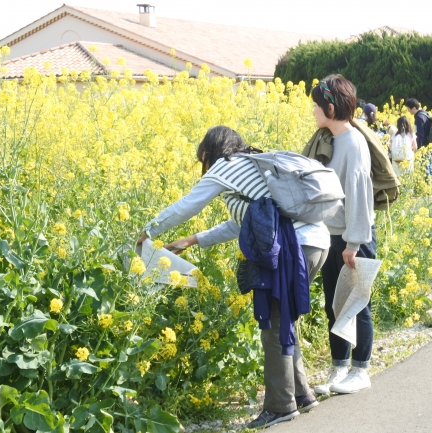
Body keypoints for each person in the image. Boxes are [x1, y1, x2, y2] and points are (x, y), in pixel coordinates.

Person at [137, 126, 331, 429]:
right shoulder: (252, 163)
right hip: (316, 241)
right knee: (285, 320)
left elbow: (187, 205)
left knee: (275, 323)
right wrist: (193, 240)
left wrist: (147, 231)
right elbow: (245, 223)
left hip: (293, 246)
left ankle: (281, 406)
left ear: (207, 153)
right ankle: (302, 394)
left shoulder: (223, 167)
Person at [310, 74, 377, 394]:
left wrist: (354, 243)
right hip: (332, 234)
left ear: (331, 108)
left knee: (357, 304)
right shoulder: (329, 139)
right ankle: (339, 369)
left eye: (317, 105)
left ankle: (360, 370)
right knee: (334, 305)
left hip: (354, 237)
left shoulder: (353, 142)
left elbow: (360, 194)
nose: (314, 111)